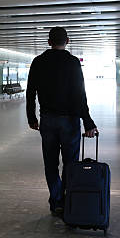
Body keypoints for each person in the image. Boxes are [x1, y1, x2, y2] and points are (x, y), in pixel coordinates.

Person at [26, 27, 98, 215]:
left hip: (48, 120)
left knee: (50, 163)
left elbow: (30, 92)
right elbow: (80, 94)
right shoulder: (73, 62)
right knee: (70, 163)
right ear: (68, 40)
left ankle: (57, 200)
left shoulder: (38, 62)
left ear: (49, 42)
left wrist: (31, 117)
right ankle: (67, 198)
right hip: (70, 121)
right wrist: (88, 121)